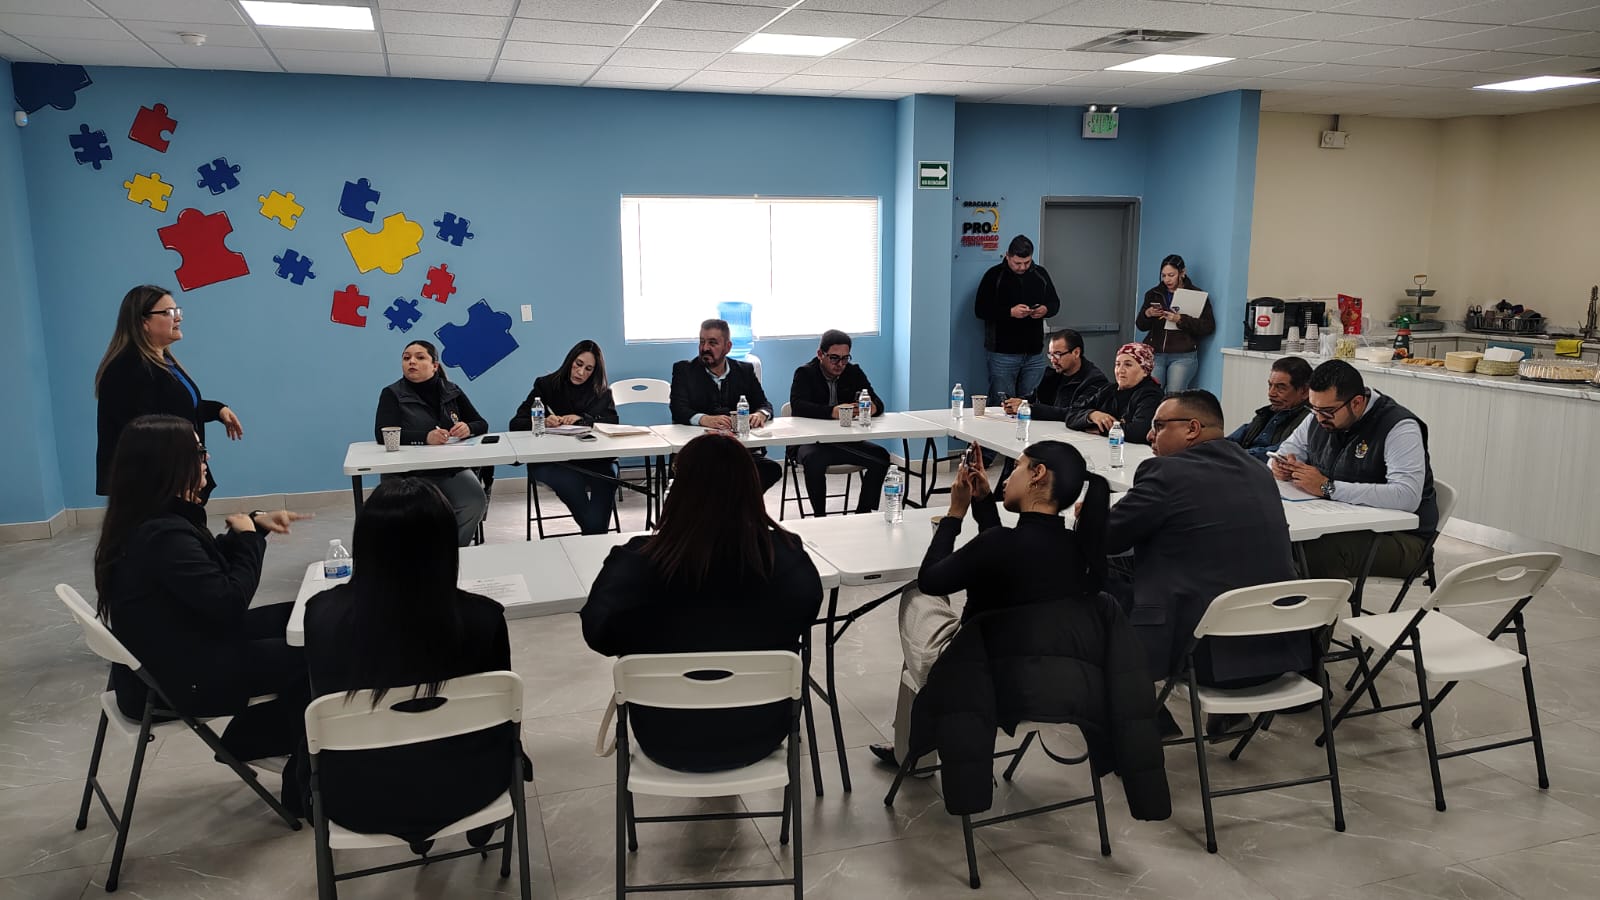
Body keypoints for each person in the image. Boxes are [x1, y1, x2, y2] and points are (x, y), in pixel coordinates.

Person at [93, 414, 309, 812]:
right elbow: (228, 601)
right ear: (167, 463)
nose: (206, 459)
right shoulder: (162, 533)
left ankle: (264, 740)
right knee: (318, 652)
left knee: (307, 617)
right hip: (182, 679)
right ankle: (280, 757)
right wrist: (248, 541)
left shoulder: (149, 518)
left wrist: (253, 528)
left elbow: (198, 576)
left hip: (177, 649)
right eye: (198, 452)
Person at [302, 477, 526, 849]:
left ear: (364, 544)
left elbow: (324, 699)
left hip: (356, 798)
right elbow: (501, 717)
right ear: (445, 546)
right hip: (472, 787)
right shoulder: (484, 619)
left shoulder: (320, 616)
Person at [581, 433, 822, 772]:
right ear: (752, 489)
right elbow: (806, 613)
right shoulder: (786, 555)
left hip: (664, 735)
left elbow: (598, 634)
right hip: (761, 730)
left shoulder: (635, 562)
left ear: (678, 490)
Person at [871, 438, 1113, 769]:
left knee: (916, 593)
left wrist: (955, 514)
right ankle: (912, 749)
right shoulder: (1081, 552)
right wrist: (983, 502)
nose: (1007, 478)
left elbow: (931, 580)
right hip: (1056, 683)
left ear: (1038, 474)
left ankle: (917, 753)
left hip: (978, 682)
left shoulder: (998, 545)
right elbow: (1004, 559)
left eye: (1016, 468)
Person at [1103, 391, 1308, 706]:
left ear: (1192, 428)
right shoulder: (1258, 471)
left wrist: (1091, 515)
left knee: (1089, 573)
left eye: (1159, 426)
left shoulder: (1166, 472)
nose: (1149, 435)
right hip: (1280, 651)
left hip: (1202, 656)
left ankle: (1136, 712)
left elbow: (1106, 538)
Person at [1271, 359, 1439, 579]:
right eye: (1314, 409)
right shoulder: (1320, 414)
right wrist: (1281, 465)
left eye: (1327, 412)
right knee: (1277, 538)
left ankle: (1318, 602)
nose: (1319, 418)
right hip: (1344, 523)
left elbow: (1406, 496)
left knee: (1316, 550)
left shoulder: (1399, 427)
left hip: (1403, 538)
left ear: (1357, 403)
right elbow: (1287, 450)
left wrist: (1327, 488)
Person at [95, 285, 244, 499]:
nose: (178, 318)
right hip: (152, 483)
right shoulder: (126, 368)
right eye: (168, 312)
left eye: (177, 311)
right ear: (143, 322)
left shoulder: (164, 360)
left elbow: (177, 407)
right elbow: (140, 430)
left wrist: (219, 410)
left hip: (175, 476)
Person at [373, 340, 488, 546]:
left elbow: (481, 423)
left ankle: (451, 552)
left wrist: (468, 428)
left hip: (449, 468)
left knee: (474, 501)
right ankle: (423, 556)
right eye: (406, 358)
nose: (411, 362)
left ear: (434, 366)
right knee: (415, 514)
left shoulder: (452, 390)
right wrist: (425, 437)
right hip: (407, 472)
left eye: (419, 357)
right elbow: (383, 435)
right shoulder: (392, 393)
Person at [511, 339, 620, 534]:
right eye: (578, 364)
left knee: (608, 476)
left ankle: (594, 533)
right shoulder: (546, 385)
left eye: (588, 369)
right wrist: (542, 422)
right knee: (570, 480)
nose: (581, 373)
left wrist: (583, 419)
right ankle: (596, 535)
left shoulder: (602, 392)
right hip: (553, 461)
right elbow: (516, 423)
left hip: (593, 460)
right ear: (570, 360)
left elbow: (612, 423)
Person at [668, 318, 782, 491]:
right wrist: (704, 419)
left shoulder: (744, 371)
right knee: (712, 476)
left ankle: (738, 507)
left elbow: (764, 404)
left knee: (770, 469)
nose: (705, 348)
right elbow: (678, 409)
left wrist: (760, 414)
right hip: (699, 452)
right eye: (702, 342)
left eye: (712, 343)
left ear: (728, 347)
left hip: (739, 451)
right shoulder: (684, 370)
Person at [788, 329, 891, 516]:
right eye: (834, 358)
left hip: (845, 441)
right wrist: (831, 412)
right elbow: (798, 406)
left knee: (881, 457)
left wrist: (873, 407)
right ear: (820, 354)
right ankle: (820, 517)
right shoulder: (805, 373)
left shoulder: (854, 372)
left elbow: (877, 401)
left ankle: (863, 512)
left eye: (845, 358)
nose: (840, 364)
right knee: (814, 460)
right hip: (810, 442)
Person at [974, 235, 1061, 402]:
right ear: (1008, 256)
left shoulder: (1040, 274)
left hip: (1034, 353)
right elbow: (980, 310)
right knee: (1002, 404)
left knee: (1032, 403)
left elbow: (1055, 303)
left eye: (1027, 262)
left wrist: (1045, 309)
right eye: (1017, 263)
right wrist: (1009, 312)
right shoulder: (994, 275)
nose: (1022, 267)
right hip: (1002, 353)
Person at [1136, 254, 1215, 391]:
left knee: (1174, 395)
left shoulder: (1196, 295)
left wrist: (1180, 319)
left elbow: (1208, 326)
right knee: (1151, 392)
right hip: (1156, 353)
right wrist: (1147, 314)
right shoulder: (1153, 294)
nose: (1167, 280)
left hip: (1183, 355)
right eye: (1163, 275)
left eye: (1171, 275)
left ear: (1182, 273)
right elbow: (1140, 325)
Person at [1002, 328, 1109, 422]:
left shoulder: (1095, 380)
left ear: (1076, 352)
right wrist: (1016, 403)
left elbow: (1075, 412)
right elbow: (1034, 398)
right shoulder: (1053, 374)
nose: (1053, 360)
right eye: (1051, 355)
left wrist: (1030, 408)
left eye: (1058, 354)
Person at [1066, 342, 1164, 444]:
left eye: (1128, 365)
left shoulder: (1151, 395)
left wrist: (1101, 429)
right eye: (1117, 364)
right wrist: (1091, 415)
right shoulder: (1108, 390)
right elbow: (1071, 414)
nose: (1120, 370)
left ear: (1145, 371)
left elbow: (1139, 432)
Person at [1228, 356, 1313, 461]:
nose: (1271, 393)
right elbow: (1231, 440)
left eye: (1280, 388)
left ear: (1304, 391)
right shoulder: (1267, 413)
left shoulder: (1309, 420)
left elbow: (1280, 452)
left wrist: (1235, 456)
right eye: (1270, 385)